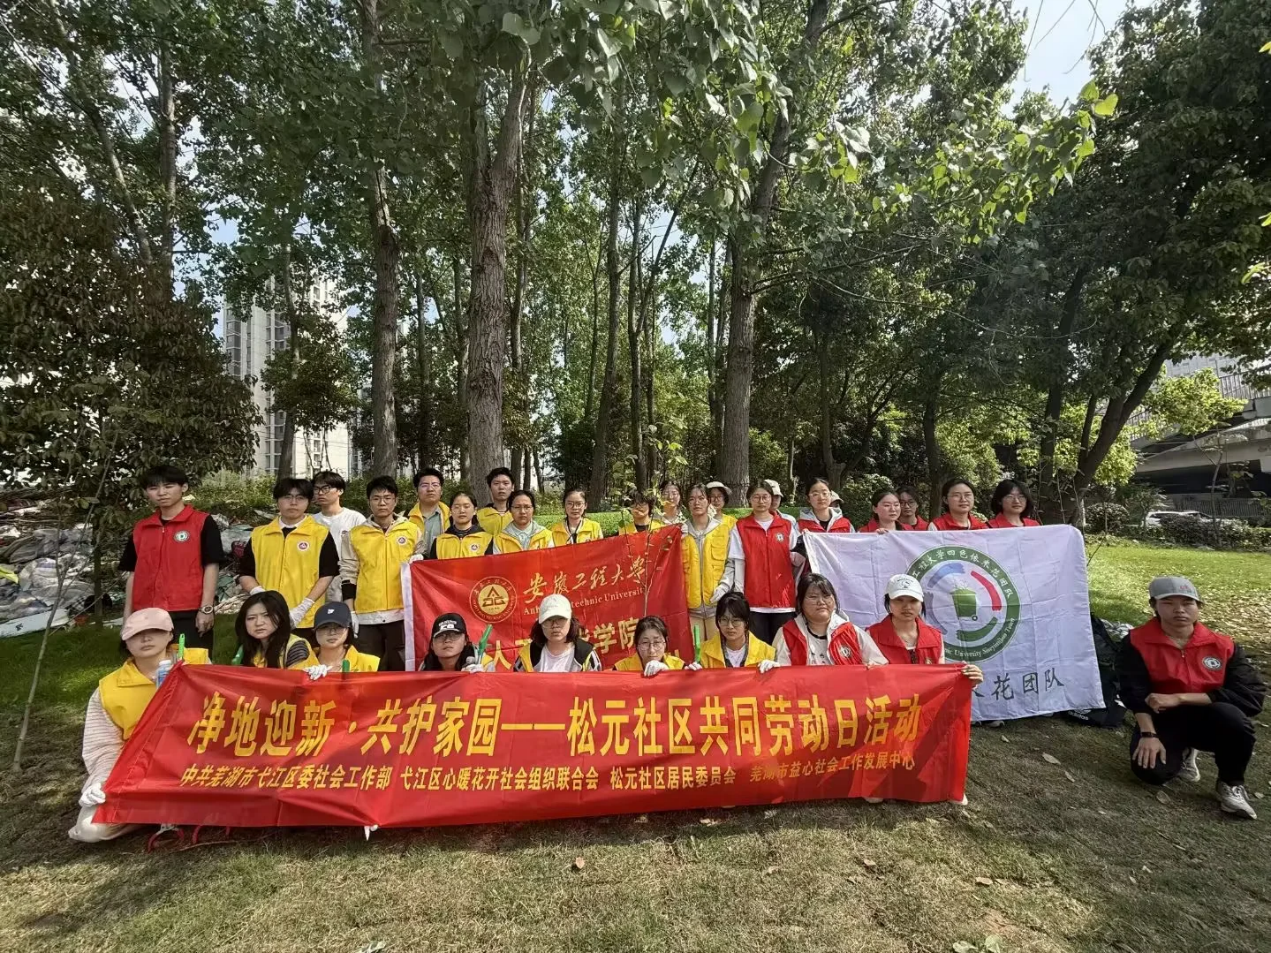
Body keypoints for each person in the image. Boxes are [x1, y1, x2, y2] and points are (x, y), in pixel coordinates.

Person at [1118, 576, 1264, 819]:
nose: (1179, 610)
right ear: (1154, 606)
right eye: (1168, 603)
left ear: (1199, 606)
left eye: (1187, 603)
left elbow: (1251, 696)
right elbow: (1134, 691)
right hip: (1163, 718)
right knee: (1151, 773)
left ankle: (1231, 784)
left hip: (1210, 717)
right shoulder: (1136, 642)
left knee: (1234, 718)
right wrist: (1148, 735)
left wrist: (1180, 698)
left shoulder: (1224, 646)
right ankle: (1184, 751)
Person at [69, 608, 211, 843]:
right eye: (136, 634)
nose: (145, 638)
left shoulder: (198, 662)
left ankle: (174, 806)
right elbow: (103, 747)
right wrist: (101, 782)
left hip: (199, 762)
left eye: (155, 631)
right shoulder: (109, 689)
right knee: (89, 829)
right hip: (141, 772)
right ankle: (154, 812)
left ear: (170, 634)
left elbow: (224, 711)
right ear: (125, 641)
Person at [119, 465, 223, 652]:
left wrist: (206, 608)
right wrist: (128, 615)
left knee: (191, 663)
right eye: (153, 488)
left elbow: (211, 566)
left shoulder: (202, 522)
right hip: (147, 612)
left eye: (168, 486)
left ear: (184, 487)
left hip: (187, 610)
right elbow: (134, 573)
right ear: (146, 492)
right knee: (149, 664)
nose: (161, 493)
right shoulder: (142, 528)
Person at [236, 477, 339, 641]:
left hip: (304, 618)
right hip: (264, 619)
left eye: (300, 498)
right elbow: (245, 573)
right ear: (277, 500)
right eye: (287, 497)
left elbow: (327, 574)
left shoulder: (320, 534)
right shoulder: (259, 535)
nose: (293, 502)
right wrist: (263, 597)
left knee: (301, 656)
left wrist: (303, 608)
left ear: (309, 502)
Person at [341, 476, 421, 671]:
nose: (382, 503)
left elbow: (423, 568)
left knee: (401, 670)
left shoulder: (412, 530)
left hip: (402, 613)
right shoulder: (355, 534)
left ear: (396, 500)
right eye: (376, 498)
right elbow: (348, 574)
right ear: (369, 502)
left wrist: (420, 558)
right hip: (366, 615)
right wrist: (351, 611)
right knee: (367, 671)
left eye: (387, 498)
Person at [717, 482, 801, 644]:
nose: (761, 501)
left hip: (783, 601)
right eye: (756, 497)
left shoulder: (786, 526)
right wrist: (740, 596)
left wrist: (807, 544)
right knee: (758, 650)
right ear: (749, 499)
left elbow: (796, 559)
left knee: (783, 649)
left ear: (771, 499)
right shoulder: (741, 527)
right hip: (754, 601)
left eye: (765, 497)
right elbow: (739, 562)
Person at [868, 574, 983, 681]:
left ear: (921, 603)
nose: (907, 606)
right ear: (888, 602)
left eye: (913, 601)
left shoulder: (935, 636)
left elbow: (940, 680)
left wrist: (966, 679)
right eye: (899, 600)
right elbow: (868, 682)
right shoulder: (872, 635)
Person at [771, 573, 887, 668]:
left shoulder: (851, 632)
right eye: (813, 597)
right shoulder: (787, 634)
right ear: (800, 602)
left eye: (826, 596)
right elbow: (781, 676)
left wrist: (873, 668)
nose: (821, 602)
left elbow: (880, 665)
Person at [311, 470, 364, 611]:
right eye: (316, 489)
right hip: (317, 583)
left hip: (346, 582)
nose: (320, 493)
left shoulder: (355, 519)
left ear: (340, 490)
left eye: (326, 488)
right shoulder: (310, 522)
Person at [683, 484, 730, 643]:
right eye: (692, 499)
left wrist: (724, 585)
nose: (696, 502)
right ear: (687, 503)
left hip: (717, 606)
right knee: (694, 653)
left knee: (717, 652)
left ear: (709, 501)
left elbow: (731, 563)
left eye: (701, 498)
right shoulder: (680, 532)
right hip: (690, 608)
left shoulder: (723, 530)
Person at [514, 594, 602, 672]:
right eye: (548, 620)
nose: (554, 625)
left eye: (560, 619)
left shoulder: (587, 654)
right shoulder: (528, 655)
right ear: (540, 623)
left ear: (570, 620)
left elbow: (594, 684)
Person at [233, 590, 315, 670]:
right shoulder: (248, 647)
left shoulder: (296, 648)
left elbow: (296, 679)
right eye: (251, 618)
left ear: (281, 616)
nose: (258, 623)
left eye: (267, 615)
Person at [699, 592, 775, 668]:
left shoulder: (767, 653)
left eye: (735, 621)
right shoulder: (703, 653)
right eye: (724, 620)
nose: (730, 626)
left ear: (746, 622)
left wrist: (774, 670)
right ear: (718, 621)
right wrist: (694, 672)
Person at [303, 601, 380, 676]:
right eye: (325, 627)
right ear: (315, 631)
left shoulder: (371, 665)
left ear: (348, 629)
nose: (332, 632)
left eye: (338, 626)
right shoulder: (300, 668)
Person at [426, 491, 495, 558]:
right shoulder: (439, 541)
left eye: (466, 506)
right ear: (451, 511)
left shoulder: (486, 539)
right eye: (457, 507)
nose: (462, 510)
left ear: (475, 510)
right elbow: (433, 566)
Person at [419, 613, 494, 672]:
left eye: (454, 635)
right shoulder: (426, 666)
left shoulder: (483, 663)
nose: (447, 640)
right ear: (432, 645)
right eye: (441, 636)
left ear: (465, 640)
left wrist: (481, 679)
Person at [614, 615, 687, 675]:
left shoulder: (679, 667)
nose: (651, 650)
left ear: (665, 643)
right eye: (645, 643)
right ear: (637, 645)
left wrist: (667, 673)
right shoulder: (620, 670)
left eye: (657, 642)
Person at [407, 468, 451, 556]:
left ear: (441, 491)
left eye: (435, 485)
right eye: (424, 485)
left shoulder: (452, 517)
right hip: (413, 564)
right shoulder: (405, 518)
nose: (430, 489)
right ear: (416, 491)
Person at [476, 467, 516, 537]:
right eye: (496, 483)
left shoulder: (519, 514)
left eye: (505, 483)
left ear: (512, 487)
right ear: (490, 487)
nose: (501, 487)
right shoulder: (479, 515)